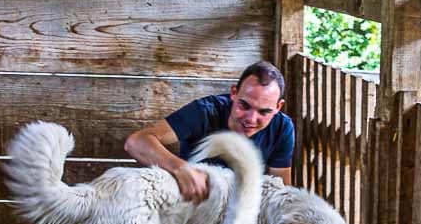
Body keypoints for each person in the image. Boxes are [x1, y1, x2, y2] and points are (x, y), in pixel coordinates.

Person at [124, 60, 295, 201]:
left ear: (278, 107)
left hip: (243, 209)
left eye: (264, 112)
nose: (251, 119)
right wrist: (180, 168)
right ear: (234, 93)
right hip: (195, 206)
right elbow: (136, 142)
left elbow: (281, 192)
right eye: (244, 105)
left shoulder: (283, 128)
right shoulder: (204, 111)